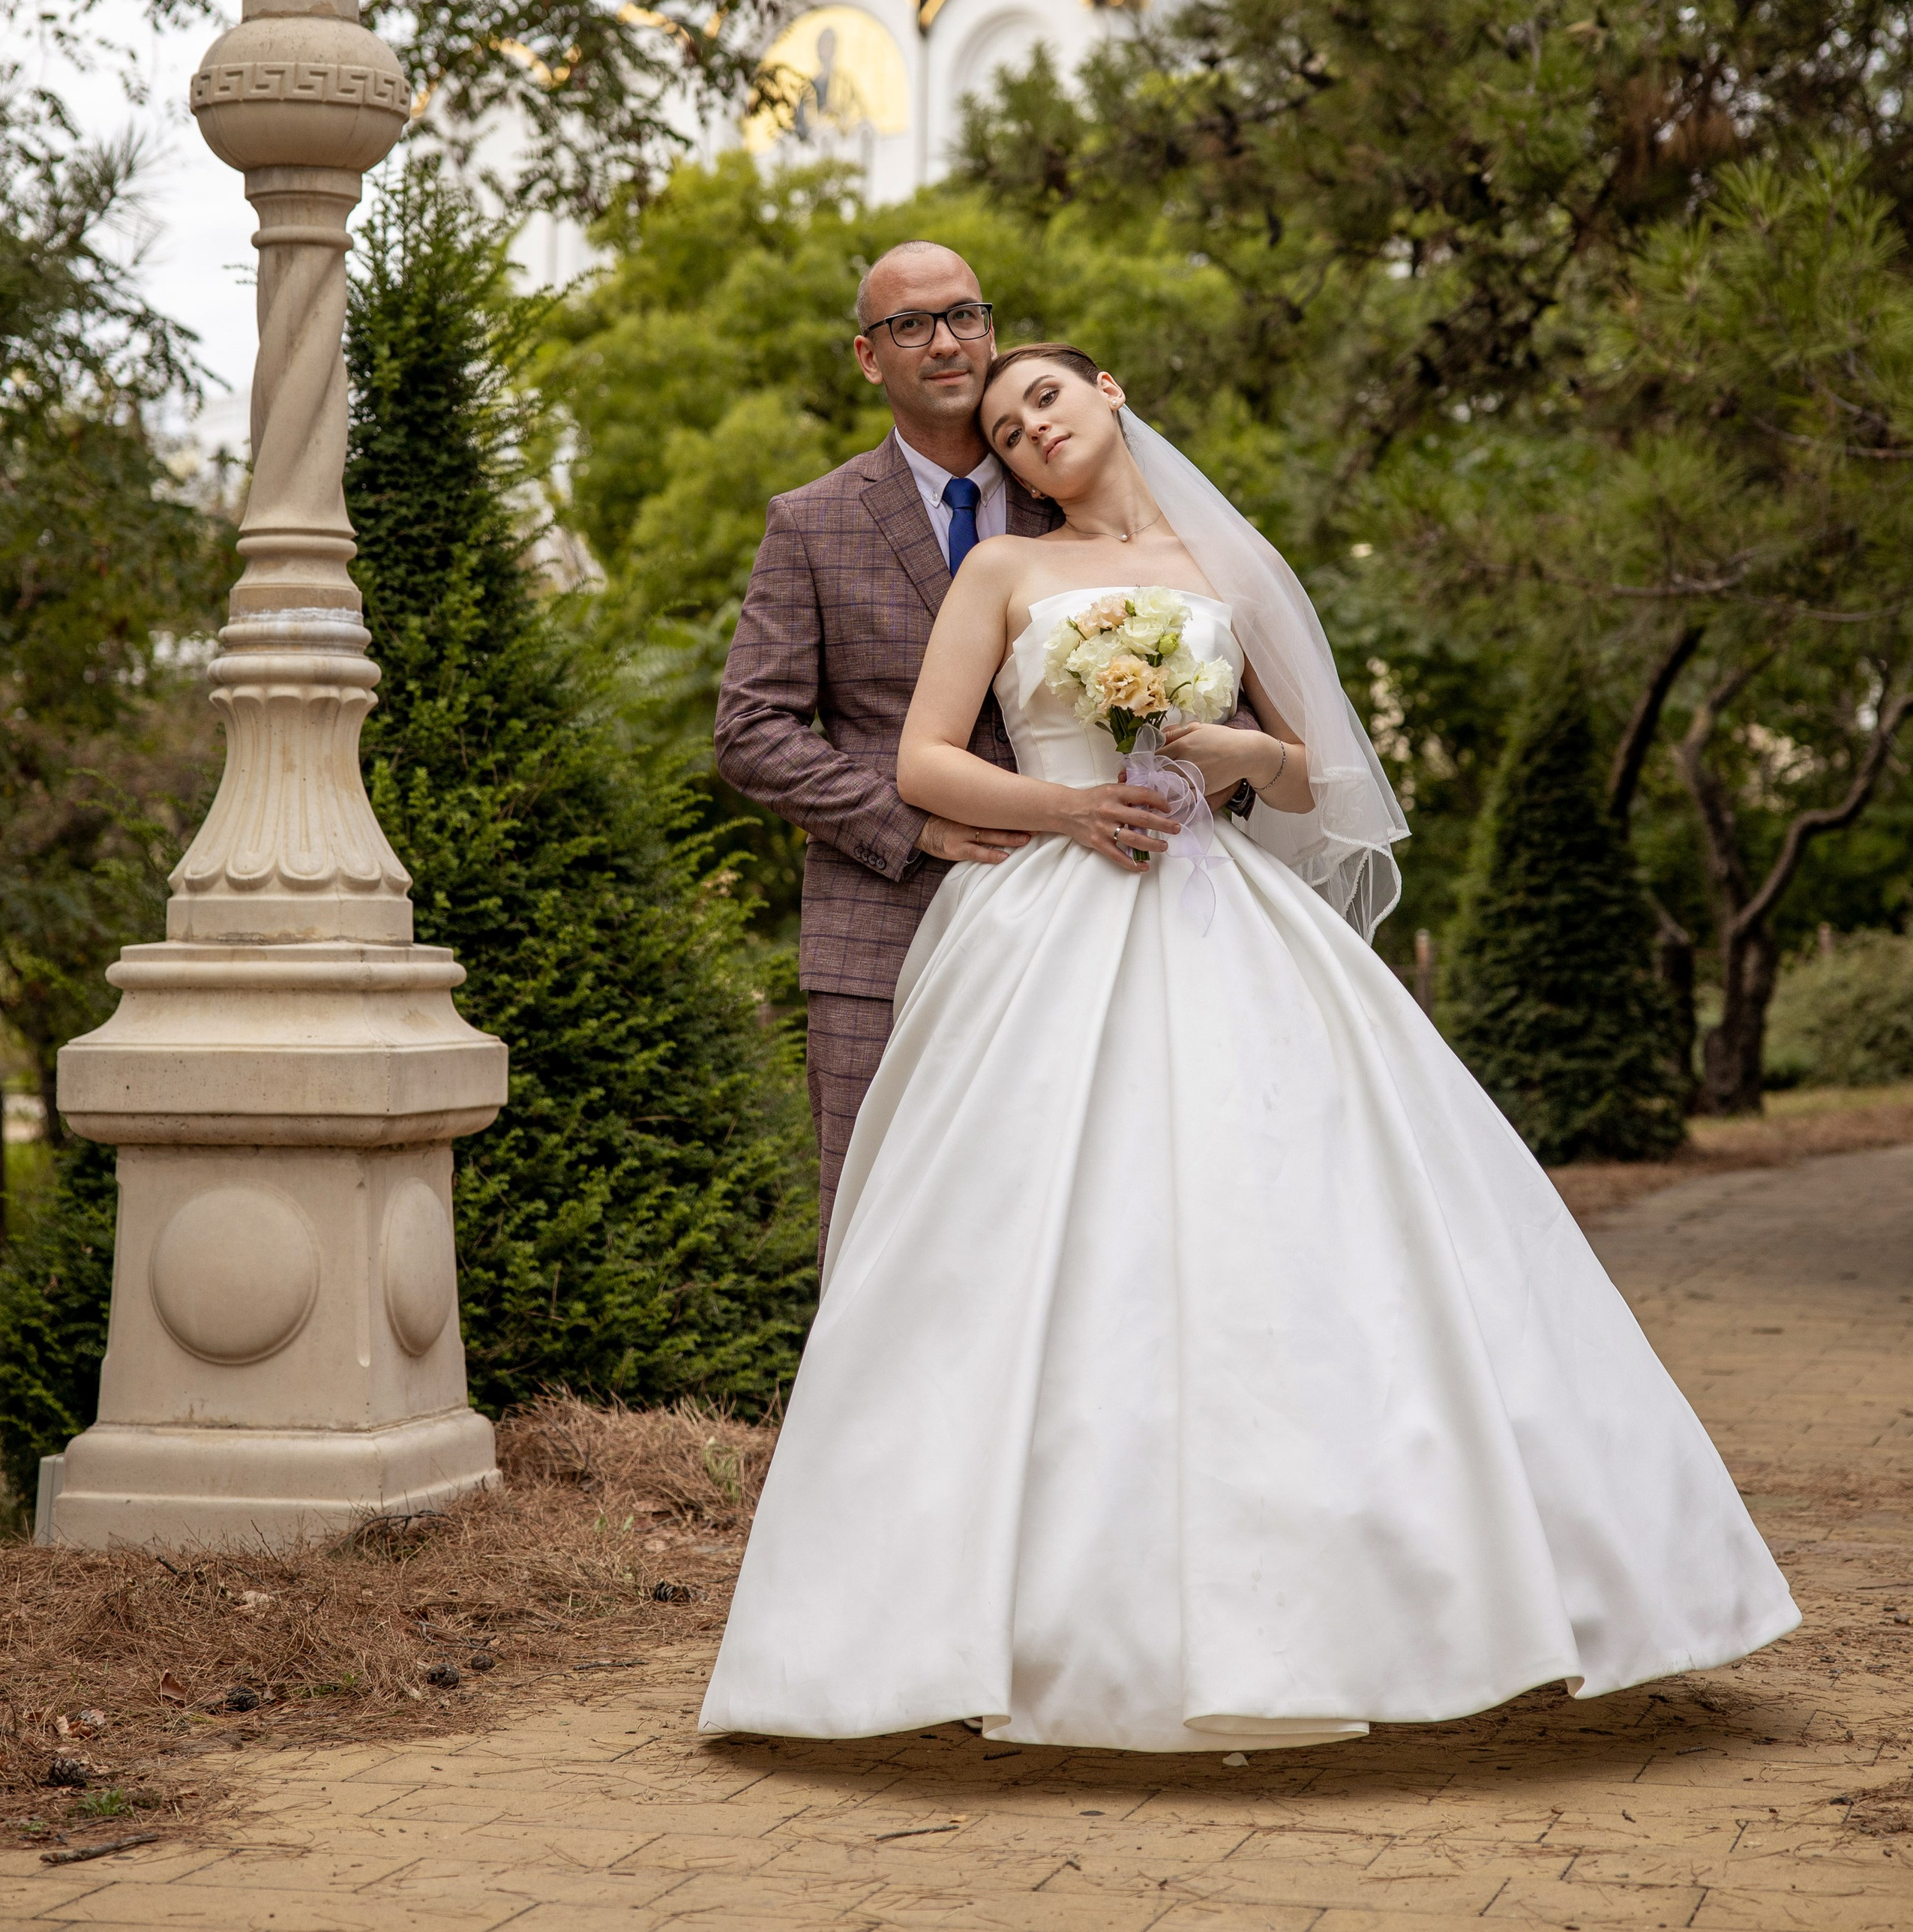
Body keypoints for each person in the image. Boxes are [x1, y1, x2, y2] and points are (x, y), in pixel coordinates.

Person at [701, 344, 1798, 1753]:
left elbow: (1311, 772)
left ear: (1107, 392)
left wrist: (1229, 757)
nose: (1028, 431)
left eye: (1045, 399)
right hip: (1047, 914)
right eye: (1002, 428)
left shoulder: (1229, 563)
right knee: (1021, 1240)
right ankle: (955, 1629)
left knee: (1293, 1227)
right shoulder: (1001, 578)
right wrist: (1071, 813)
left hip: (1226, 909)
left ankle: (1381, 1600)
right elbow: (922, 764)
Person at [715, 246, 1088, 1246]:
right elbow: (750, 730)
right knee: (882, 1222)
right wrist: (908, 823)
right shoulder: (813, 522)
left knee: (1064, 1212)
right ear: (868, 358)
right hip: (880, 931)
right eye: (911, 326)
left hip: (1081, 911)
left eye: (964, 315)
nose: (946, 342)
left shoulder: (1076, 499)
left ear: (993, 330)